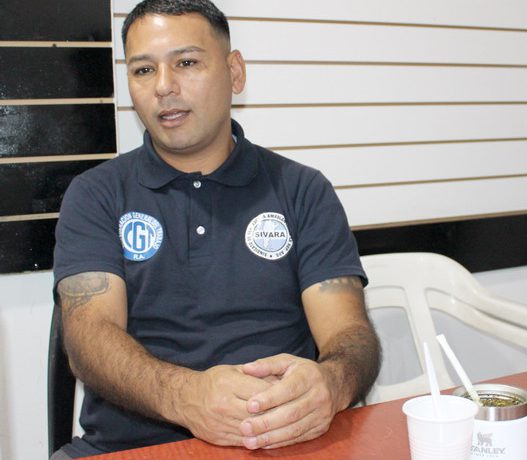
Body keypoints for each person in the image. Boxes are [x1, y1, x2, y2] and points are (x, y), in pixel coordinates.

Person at [51, 0, 381, 458]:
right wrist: (185, 397)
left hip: (281, 440)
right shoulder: (95, 195)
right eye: (144, 70)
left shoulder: (303, 190)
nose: (164, 87)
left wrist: (333, 382)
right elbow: (89, 339)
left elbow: (350, 334)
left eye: (186, 63)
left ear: (235, 72)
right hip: (130, 448)